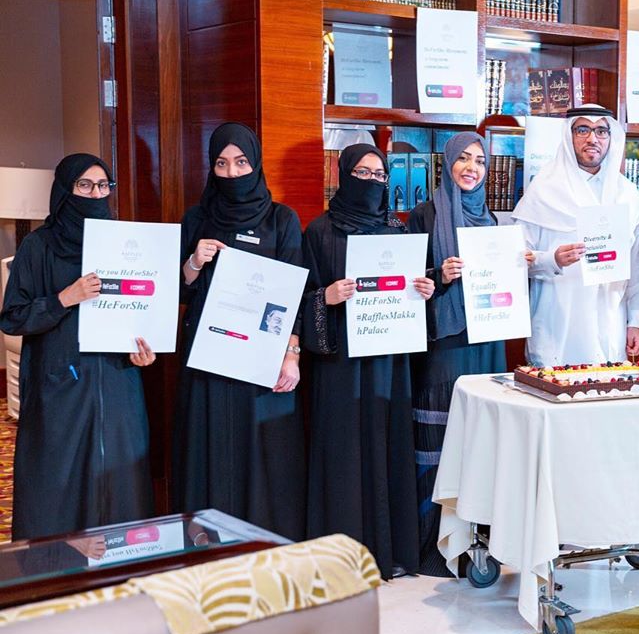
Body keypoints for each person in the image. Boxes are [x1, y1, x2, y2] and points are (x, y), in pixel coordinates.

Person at [0, 153, 156, 539]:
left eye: (103, 185)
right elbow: (13, 317)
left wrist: (143, 351)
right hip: (60, 386)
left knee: (119, 479)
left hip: (118, 383)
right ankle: (52, 570)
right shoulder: (39, 246)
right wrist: (63, 299)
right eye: (84, 185)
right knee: (58, 481)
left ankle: (121, 569)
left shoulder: (127, 244)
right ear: (65, 190)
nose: (95, 193)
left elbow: (140, 310)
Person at [302, 143, 434, 579]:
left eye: (380, 175)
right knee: (342, 453)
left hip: (386, 362)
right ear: (344, 174)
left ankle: (388, 552)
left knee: (385, 446)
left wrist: (424, 290)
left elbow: (410, 295)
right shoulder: (320, 232)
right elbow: (299, 300)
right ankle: (340, 558)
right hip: (339, 365)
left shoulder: (396, 233)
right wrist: (326, 297)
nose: (372, 182)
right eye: (363, 173)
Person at [173, 122, 306, 541]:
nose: (232, 173)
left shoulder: (281, 218)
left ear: (256, 162)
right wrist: (195, 260)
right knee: (208, 446)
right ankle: (204, 542)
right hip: (207, 355)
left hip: (260, 358)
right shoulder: (197, 218)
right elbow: (177, 290)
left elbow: (296, 290)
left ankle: (263, 544)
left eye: (241, 162)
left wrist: (292, 353)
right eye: (222, 163)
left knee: (260, 451)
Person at [408, 131, 531, 576]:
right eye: (463, 158)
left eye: (479, 161)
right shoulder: (424, 215)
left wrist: (523, 266)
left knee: (484, 441)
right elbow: (408, 281)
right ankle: (434, 546)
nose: (472, 168)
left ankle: (482, 544)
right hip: (445, 345)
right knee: (438, 442)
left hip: (488, 343)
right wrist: (437, 274)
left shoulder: (499, 225)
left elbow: (512, 288)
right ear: (448, 163)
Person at [512, 105, 639, 366]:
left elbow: (635, 269)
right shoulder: (543, 189)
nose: (592, 138)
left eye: (601, 131)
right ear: (569, 135)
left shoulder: (627, 195)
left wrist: (636, 321)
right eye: (582, 129)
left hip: (610, 328)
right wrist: (552, 260)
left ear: (611, 138)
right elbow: (516, 260)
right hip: (557, 329)